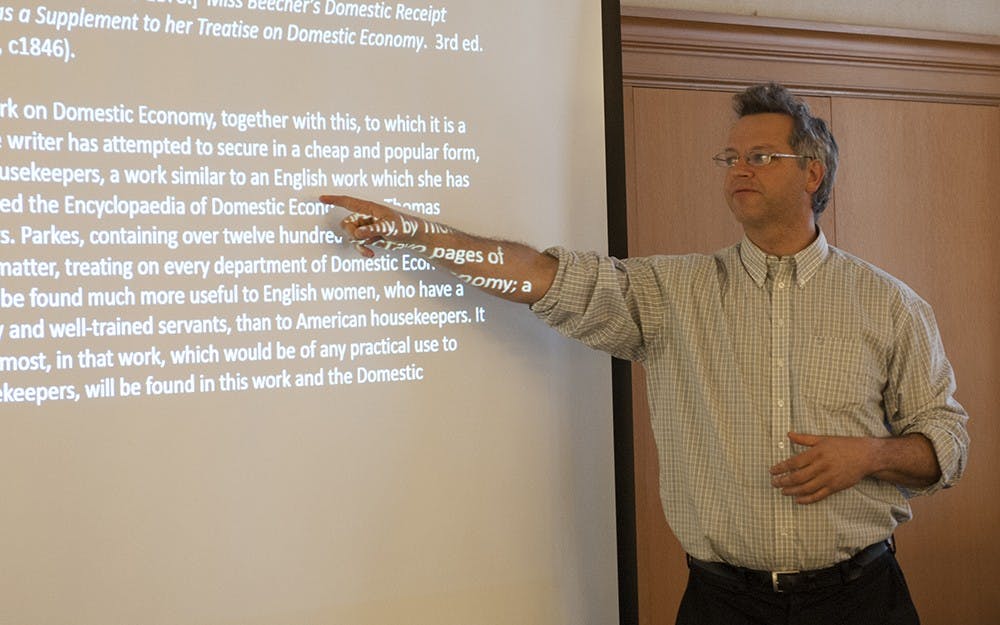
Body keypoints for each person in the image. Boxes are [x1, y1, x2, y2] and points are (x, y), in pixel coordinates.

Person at [319, 82, 969, 625]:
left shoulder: (889, 303)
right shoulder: (670, 292)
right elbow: (544, 276)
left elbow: (946, 440)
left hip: (858, 597)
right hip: (722, 603)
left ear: (813, 171)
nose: (738, 168)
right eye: (729, 157)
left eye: (761, 155)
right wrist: (416, 232)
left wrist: (872, 455)